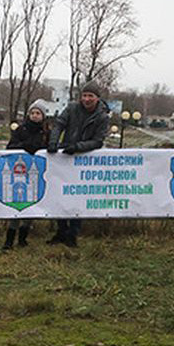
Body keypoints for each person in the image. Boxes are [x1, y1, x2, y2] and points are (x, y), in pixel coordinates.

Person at [46, 80, 111, 247]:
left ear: (97, 98)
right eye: (84, 95)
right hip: (65, 157)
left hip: (84, 160)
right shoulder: (72, 108)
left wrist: (77, 147)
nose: (87, 99)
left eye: (90, 96)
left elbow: (98, 141)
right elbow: (59, 124)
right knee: (60, 195)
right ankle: (60, 231)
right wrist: (53, 142)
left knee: (78, 198)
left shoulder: (102, 117)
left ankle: (72, 234)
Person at [3, 106, 50, 250]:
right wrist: (24, 146)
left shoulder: (46, 132)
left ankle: (23, 239)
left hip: (36, 172)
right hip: (19, 171)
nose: (35, 116)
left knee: (31, 205)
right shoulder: (20, 130)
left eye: (38, 113)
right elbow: (10, 147)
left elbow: (50, 148)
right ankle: (9, 240)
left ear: (43, 116)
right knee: (16, 206)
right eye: (32, 113)